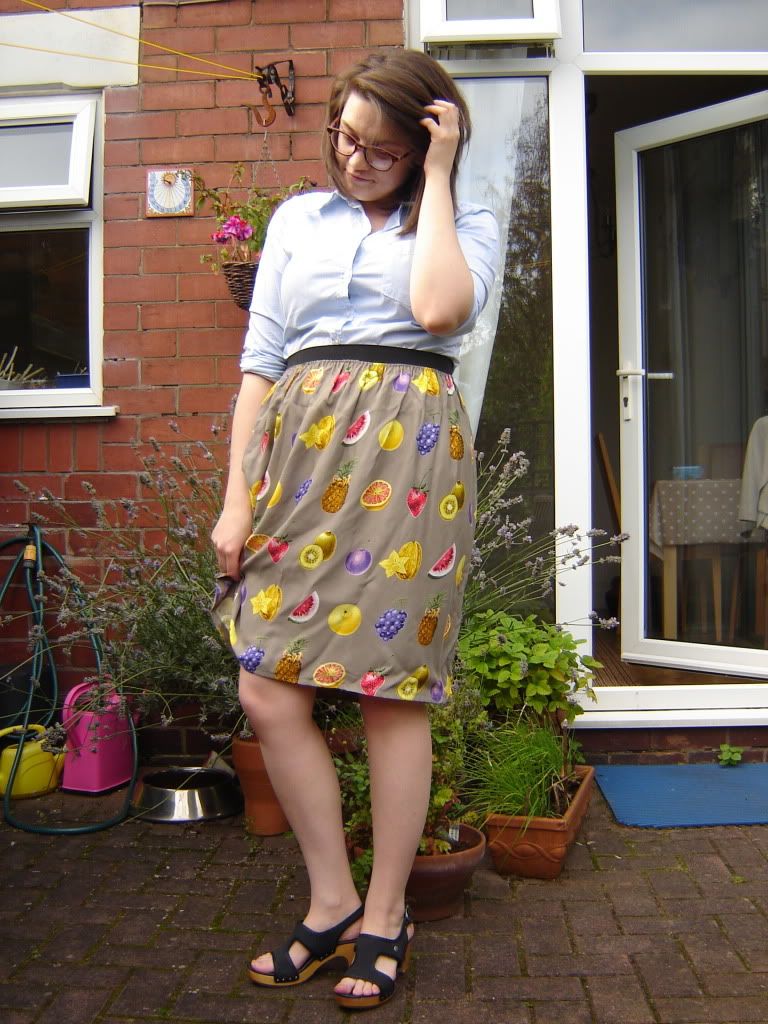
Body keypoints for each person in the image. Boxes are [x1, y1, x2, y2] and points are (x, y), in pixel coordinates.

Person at [211, 48, 499, 1011]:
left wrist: (441, 178)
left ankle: (384, 916)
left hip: (407, 464)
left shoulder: (462, 221)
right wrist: (236, 498)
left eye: (384, 148)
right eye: (346, 138)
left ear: (424, 142)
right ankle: (330, 898)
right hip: (296, 460)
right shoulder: (297, 220)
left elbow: (437, 310)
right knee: (265, 688)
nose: (357, 160)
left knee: (390, 694)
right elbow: (260, 364)